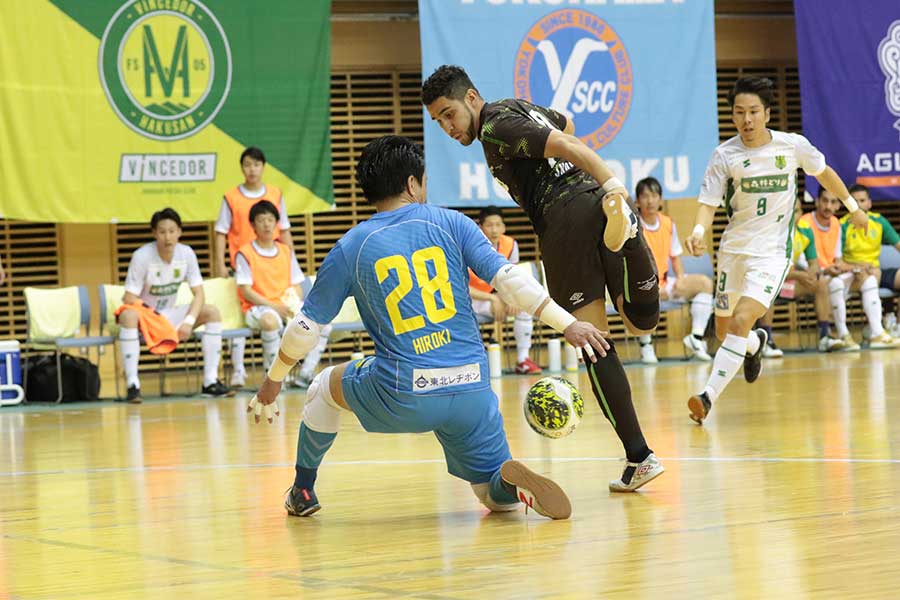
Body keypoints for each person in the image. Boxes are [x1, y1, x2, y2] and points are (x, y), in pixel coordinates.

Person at [250, 136, 611, 519]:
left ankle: (303, 491)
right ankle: (511, 487)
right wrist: (568, 324)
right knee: (492, 498)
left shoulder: (351, 246)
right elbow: (509, 280)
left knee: (323, 388)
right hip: (472, 387)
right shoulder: (453, 223)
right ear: (411, 184)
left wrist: (272, 381)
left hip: (405, 393)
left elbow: (305, 329)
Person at [422, 65, 664, 491]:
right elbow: (566, 121)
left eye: (448, 114)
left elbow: (567, 141)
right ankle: (622, 240)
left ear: (472, 98)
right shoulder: (518, 109)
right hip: (591, 201)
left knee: (594, 343)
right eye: (437, 120)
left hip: (563, 220)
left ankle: (639, 456)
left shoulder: (495, 124)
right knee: (641, 322)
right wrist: (601, 190)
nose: (446, 126)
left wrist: (615, 185)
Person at [684, 76, 870, 424]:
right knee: (726, 333)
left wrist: (852, 207)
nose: (747, 120)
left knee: (740, 320)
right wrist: (697, 230)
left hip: (771, 254)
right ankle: (756, 344)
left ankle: (707, 397)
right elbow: (708, 203)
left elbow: (825, 173)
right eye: (739, 112)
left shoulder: (792, 146)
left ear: (767, 113)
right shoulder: (724, 155)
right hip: (733, 251)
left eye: (754, 111)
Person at [118, 208, 230, 403]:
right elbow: (129, 297)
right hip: (147, 317)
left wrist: (188, 321)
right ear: (154, 233)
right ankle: (133, 385)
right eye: (162, 232)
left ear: (179, 232)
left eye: (172, 231)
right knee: (127, 316)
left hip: (170, 315)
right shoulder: (141, 256)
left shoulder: (186, 254)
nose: (167, 237)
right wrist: (153, 317)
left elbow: (199, 294)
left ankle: (210, 382)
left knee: (211, 312)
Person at [214, 147, 294, 388]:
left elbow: (286, 229)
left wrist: (291, 259)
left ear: (263, 167)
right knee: (239, 319)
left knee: (274, 316)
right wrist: (220, 264)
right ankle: (238, 371)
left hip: (271, 263)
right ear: (242, 168)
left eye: (256, 164)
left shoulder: (275, 194)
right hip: (242, 264)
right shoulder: (231, 197)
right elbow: (220, 232)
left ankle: (281, 372)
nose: (252, 169)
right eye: (248, 165)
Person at [235, 201, 329, 385]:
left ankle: (305, 373)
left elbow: (296, 284)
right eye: (261, 220)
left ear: (277, 223)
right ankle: (275, 379)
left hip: (284, 306)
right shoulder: (245, 253)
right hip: (259, 307)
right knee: (270, 322)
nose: (267, 224)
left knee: (322, 321)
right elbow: (245, 291)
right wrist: (274, 307)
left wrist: (292, 305)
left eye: (270, 220)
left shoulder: (286, 251)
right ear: (253, 225)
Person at [799, 188, 899, 349]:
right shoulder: (815, 223)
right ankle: (843, 334)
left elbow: (837, 260)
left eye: (833, 202)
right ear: (817, 202)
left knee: (870, 278)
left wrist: (854, 269)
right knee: (836, 283)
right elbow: (803, 260)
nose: (828, 206)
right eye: (825, 201)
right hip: (817, 277)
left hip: (845, 272)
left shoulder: (836, 224)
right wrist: (848, 268)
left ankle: (877, 332)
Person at [633, 177, 713, 364]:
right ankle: (646, 345)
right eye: (645, 196)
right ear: (637, 201)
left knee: (705, 284)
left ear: (661, 200)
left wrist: (680, 278)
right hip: (642, 286)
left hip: (664, 283)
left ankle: (696, 338)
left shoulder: (668, 224)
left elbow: (675, 256)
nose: (650, 201)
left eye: (654, 196)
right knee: (645, 295)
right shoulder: (634, 226)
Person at [757, 205, 847, 355]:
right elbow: (768, 270)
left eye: (797, 210)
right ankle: (766, 341)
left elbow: (814, 264)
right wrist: (798, 276)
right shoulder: (772, 233)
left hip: (787, 286)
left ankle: (825, 336)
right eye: (789, 210)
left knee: (821, 283)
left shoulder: (805, 231)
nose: (793, 214)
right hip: (766, 282)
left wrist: (811, 274)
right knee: (768, 286)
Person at [468, 206, 541, 374]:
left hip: (496, 297)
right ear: (480, 227)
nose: (494, 230)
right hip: (470, 299)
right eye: (489, 225)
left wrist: (509, 299)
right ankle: (475, 363)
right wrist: (493, 299)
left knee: (523, 309)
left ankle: (522, 360)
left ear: (504, 227)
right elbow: (461, 286)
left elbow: (511, 277)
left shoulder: (510, 244)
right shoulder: (468, 246)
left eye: (498, 225)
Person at [840, 183, 900, 338]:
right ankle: (875, 327)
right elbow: (836, 261)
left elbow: (898, 244)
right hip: (854, 274)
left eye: (862, 200)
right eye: (855, 201)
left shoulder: (879, 221)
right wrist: (856, 267)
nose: (859, 205)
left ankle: (895, 324)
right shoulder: (841, 225)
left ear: (869, 203)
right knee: (872, 276)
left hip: (876, 269)